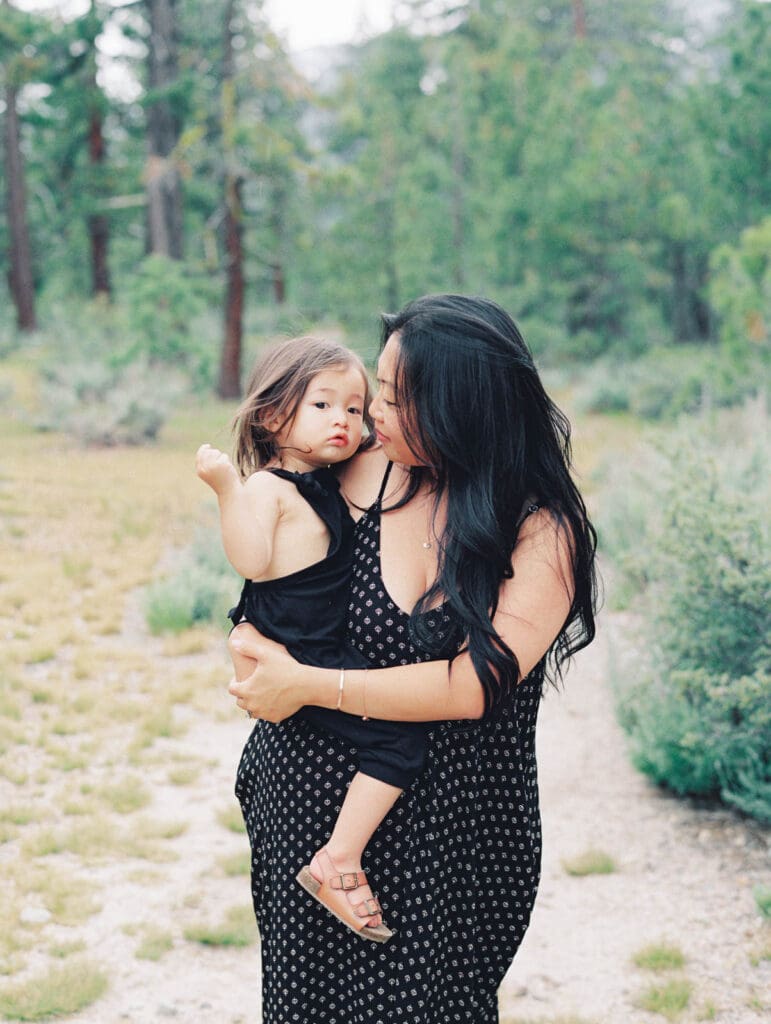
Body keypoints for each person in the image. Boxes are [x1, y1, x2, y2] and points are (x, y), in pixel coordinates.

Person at [228, 295, 598, 1024]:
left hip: (453, 845)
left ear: (462, 408)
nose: (373, 415)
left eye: (396, 398)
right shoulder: (354, 471)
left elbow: (472, 686)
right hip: (306, 815)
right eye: (377, 393)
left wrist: (306, 683)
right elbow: (273, 575)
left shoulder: (538, 529)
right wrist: (250, 644)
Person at [196, 335, 437, 944]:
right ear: (275, 415)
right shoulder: (268, 488)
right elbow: (251, 560)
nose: (345, 421)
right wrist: (227, 487)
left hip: (317, 643)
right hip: (300, 647)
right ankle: (338, 860)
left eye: (355, 409)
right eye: (323, 406)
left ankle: (340, 854)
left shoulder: (332, 480)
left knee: (391, 731)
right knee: (399, 738)